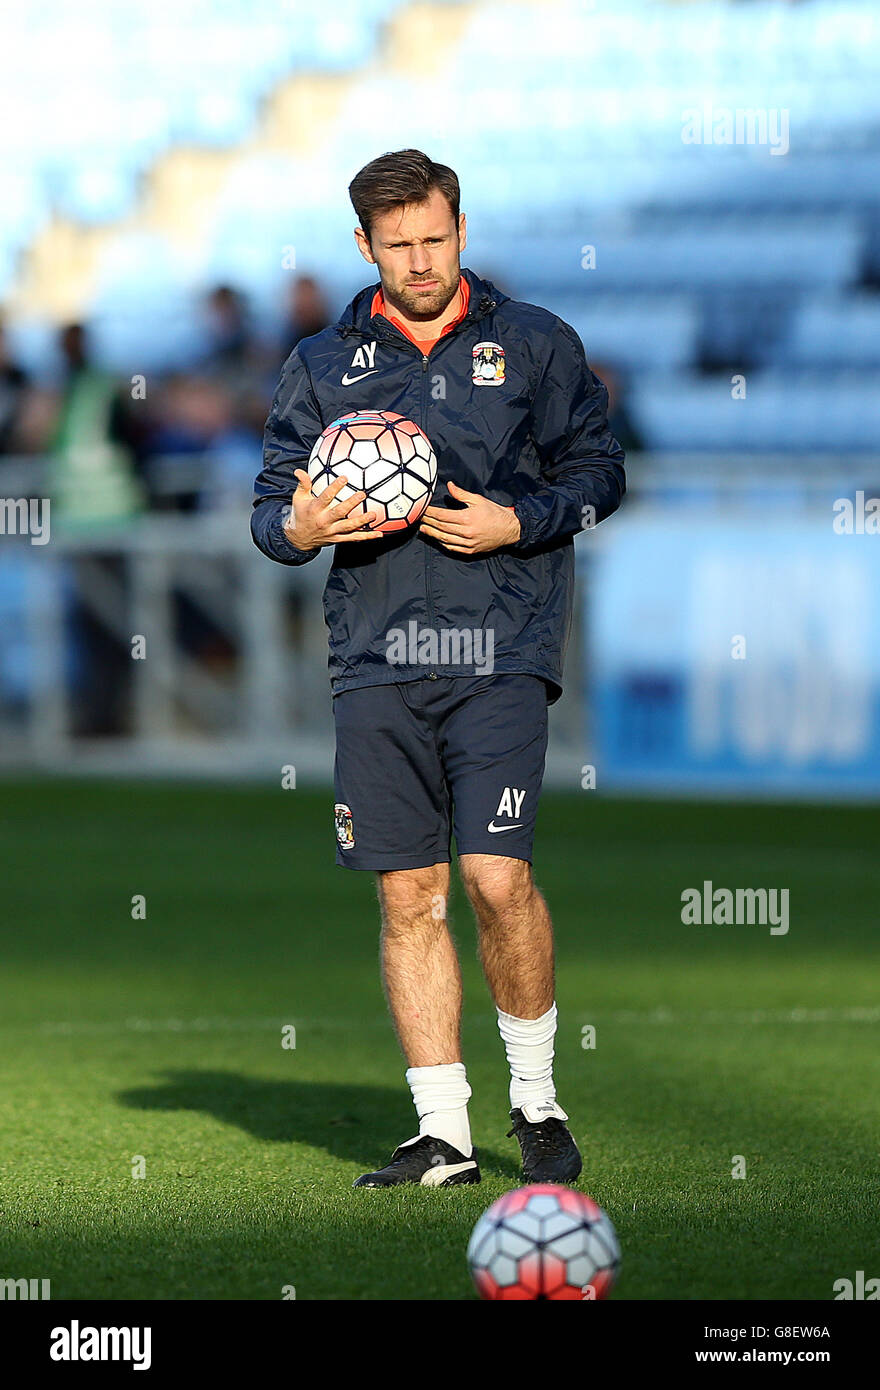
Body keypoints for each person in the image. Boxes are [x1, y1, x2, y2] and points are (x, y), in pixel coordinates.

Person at [251, 149, 625, 1189]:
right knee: (407, 893)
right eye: (397, 244)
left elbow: (602, 476)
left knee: (496, 879)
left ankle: (537, 1103)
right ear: (363, 246)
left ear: (460, 229)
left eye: (435, 237)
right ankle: (442, 1136)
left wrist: (522, 517)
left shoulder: (536, 343)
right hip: (374, 656)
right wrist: (300, 522)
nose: (420, 260)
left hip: (500, 644)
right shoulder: (322, 365)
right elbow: (268, 515)